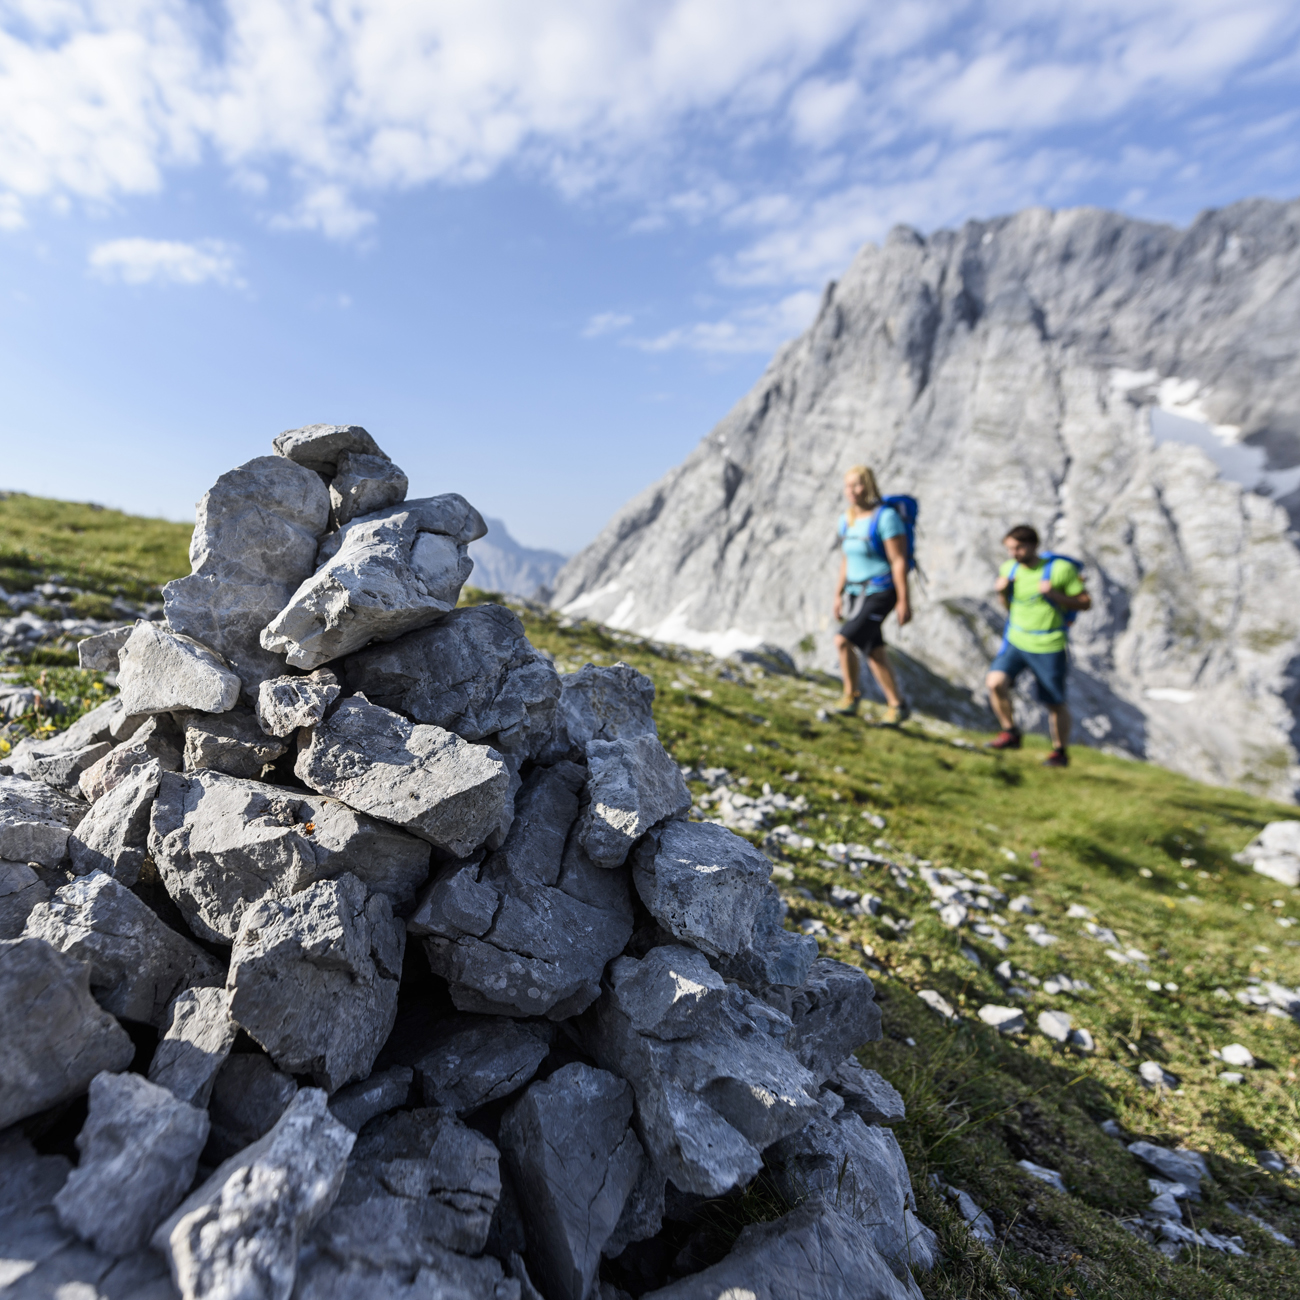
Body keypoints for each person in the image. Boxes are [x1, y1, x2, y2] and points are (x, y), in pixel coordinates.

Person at [986, 524, 1091, 767]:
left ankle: (1060, 752)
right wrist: (1002, 593)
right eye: (1010, 549)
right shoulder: (1009, 569)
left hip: (1048, 644)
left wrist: (1055, 595)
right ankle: (1010, 732)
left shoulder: (1060, 570)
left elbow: (1085, 602)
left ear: (1034, 545)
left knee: (1054, 701)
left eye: (1019, 548)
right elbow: (1010, 607)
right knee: (995, 682)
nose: (1014, 554)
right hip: (1016, 639)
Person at [832, 465, 911, 722]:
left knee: (843, 641)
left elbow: (898, 560)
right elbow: (846, 559)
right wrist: (838, 594)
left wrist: (903, 600)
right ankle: (897, 705)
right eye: (847, 486)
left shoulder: (886, 518)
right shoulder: (846, 519)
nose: (852, 491)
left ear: (869, 485)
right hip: (856, 591)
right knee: (874, 651)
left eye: (857, 485)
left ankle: (851, 696)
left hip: (881, 590)